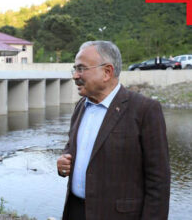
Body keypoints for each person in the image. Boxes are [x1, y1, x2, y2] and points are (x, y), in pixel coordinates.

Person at [57, 41, 170, 220]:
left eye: (81, 69)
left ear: (107, 72)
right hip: (76, 211)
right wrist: (64, 161)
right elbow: (72, 146)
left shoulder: (144, 110)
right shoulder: (81, 106)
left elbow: (159, 182)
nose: (75, 76)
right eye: (74, 69)